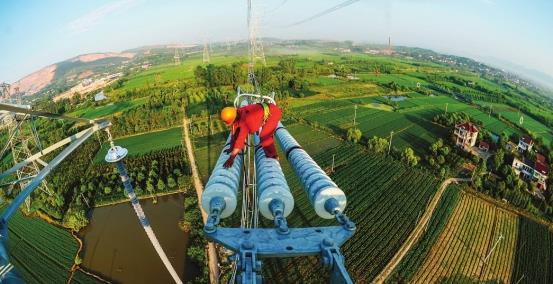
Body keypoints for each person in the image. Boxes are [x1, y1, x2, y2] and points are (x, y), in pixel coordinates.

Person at [220, 102, 282, 168]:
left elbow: (240, 141)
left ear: (234, 118)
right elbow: (234, 133)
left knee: (264, 137)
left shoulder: (245, 120)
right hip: (267, 110)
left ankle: (274, 157)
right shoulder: (238, 113)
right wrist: (231, 148)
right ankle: (272, 155)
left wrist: (231, 159)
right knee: (264, 135)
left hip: (273, 113)